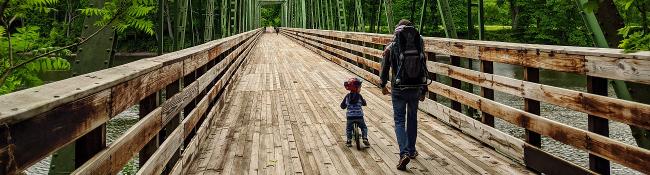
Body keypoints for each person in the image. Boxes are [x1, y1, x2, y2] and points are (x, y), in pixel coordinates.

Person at [379, 19, 428, 171]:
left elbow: (385, 66)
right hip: (415, 87)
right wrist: (424, 89)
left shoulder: (392, 45)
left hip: (398, 88)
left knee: (399, 120)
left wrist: (382, 84)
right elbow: (424, 67)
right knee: (412, 118)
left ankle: (403, 153)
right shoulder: (419, 43)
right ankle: (412, 151)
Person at [340, 77, 370, 148]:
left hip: (350, 117)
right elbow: (363, 103)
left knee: (348, 129)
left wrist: (344, 106)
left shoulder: (347, 97)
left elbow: (342, 106)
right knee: (364, 127)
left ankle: (349, 141)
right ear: (356, 88)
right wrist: (364, 102)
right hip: (359, 117)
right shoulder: (359, 96)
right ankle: (365, 138)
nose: (360, 88)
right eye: (359, 87)